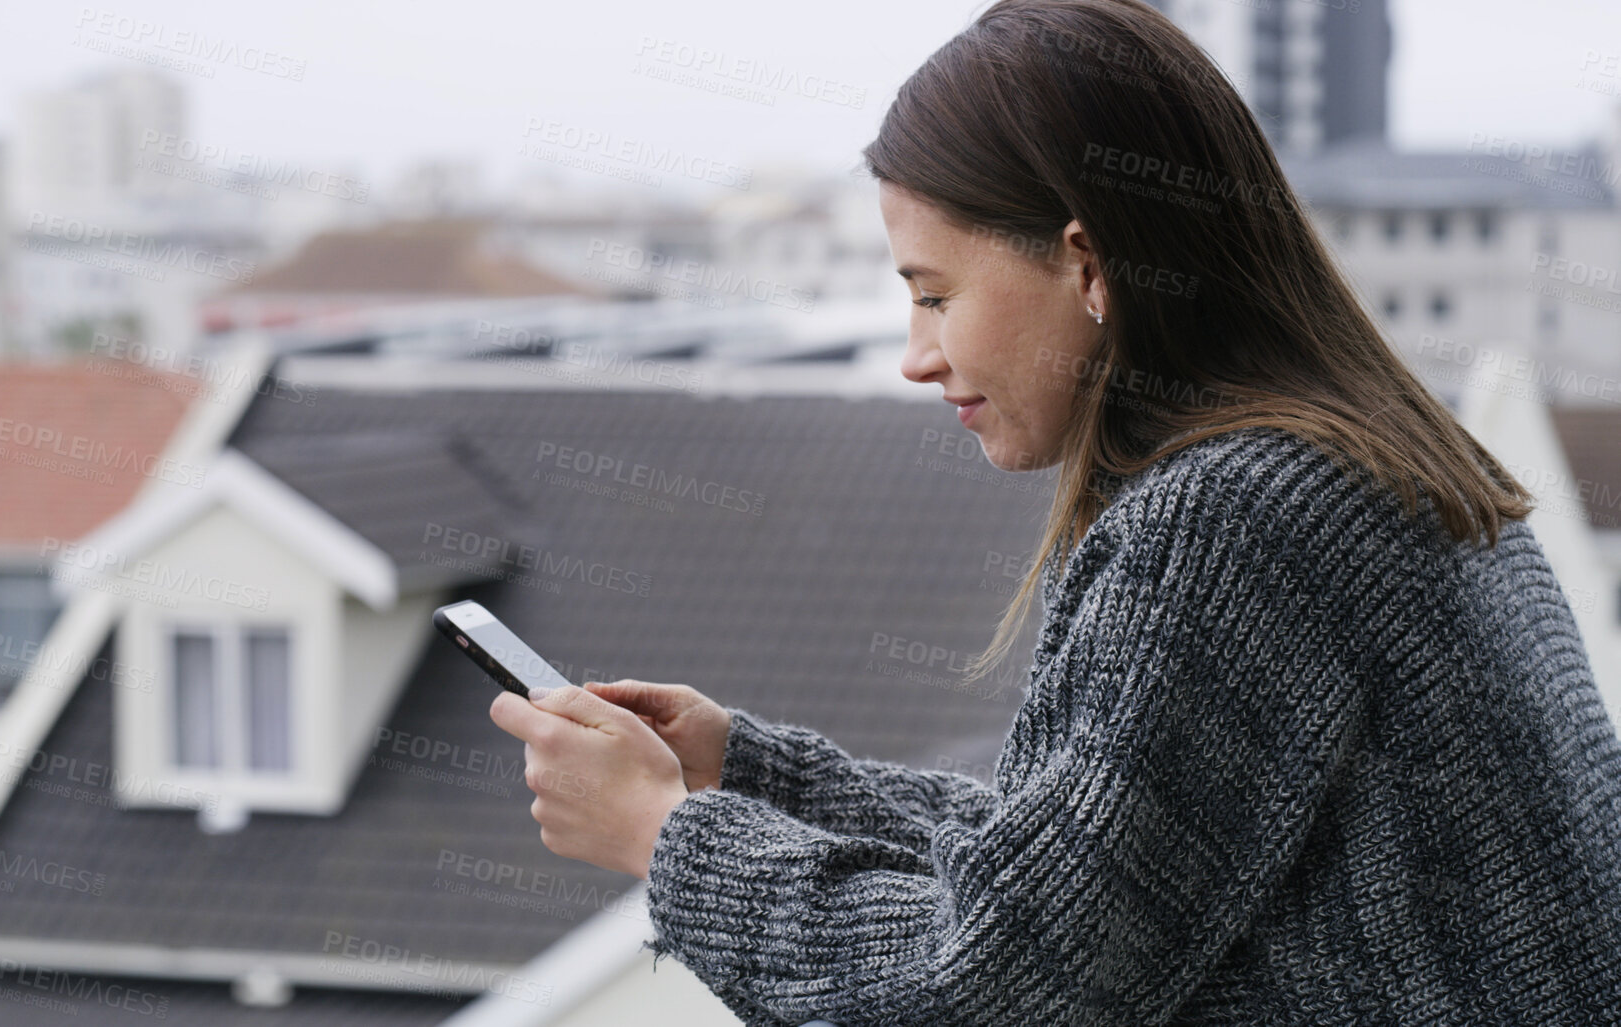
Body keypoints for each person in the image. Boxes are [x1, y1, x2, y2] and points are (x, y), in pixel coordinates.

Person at [487, 0, 1621, 1023]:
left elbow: (987, 985)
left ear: (1089, 264)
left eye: (935, 294)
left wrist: (669, 839)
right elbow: (1081, 878)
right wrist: (744, 771)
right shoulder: (1380, 464)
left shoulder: (1234, 525)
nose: (916, 355)